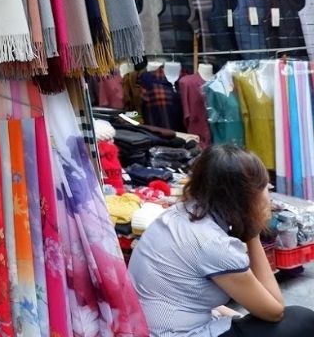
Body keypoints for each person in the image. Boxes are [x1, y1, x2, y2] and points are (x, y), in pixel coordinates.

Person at [129, 144, 314, 337]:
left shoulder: (180, 213)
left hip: (148, 325)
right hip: (173, 333)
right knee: (301, 320)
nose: (269, 195)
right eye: (265, 187)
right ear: (247, 196)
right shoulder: (214, 244)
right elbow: (275, 311)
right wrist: (253, 233)